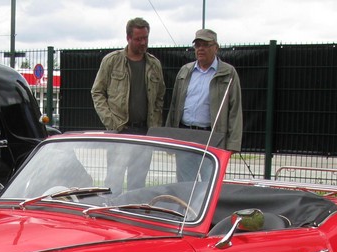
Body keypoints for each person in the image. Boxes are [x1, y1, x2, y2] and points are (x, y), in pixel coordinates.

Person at [91, 17, 166, 193]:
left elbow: (160, 97)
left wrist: (154, 126)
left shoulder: (154, 64)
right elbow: (97, 92)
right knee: (113, 181)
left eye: (146, 38)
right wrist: (111, 122)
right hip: (119, 131)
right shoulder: (111, 61)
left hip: (144, 132)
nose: (143, 42)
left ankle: (132, 216)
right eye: (138, 39)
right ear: (128, 38)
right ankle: (109, 214)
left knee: (138, 183)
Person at [166, 29, 242, 152]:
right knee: (185, 172)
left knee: (209, 172)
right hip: (185, 136)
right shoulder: (184, 71)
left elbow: (235, 111)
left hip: (212, 138)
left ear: (216, 48)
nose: (200, 49)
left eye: (206, 45)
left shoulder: (228, 73)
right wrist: (169, 137)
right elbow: (174, 106)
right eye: (197, 45)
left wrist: (233, 144)